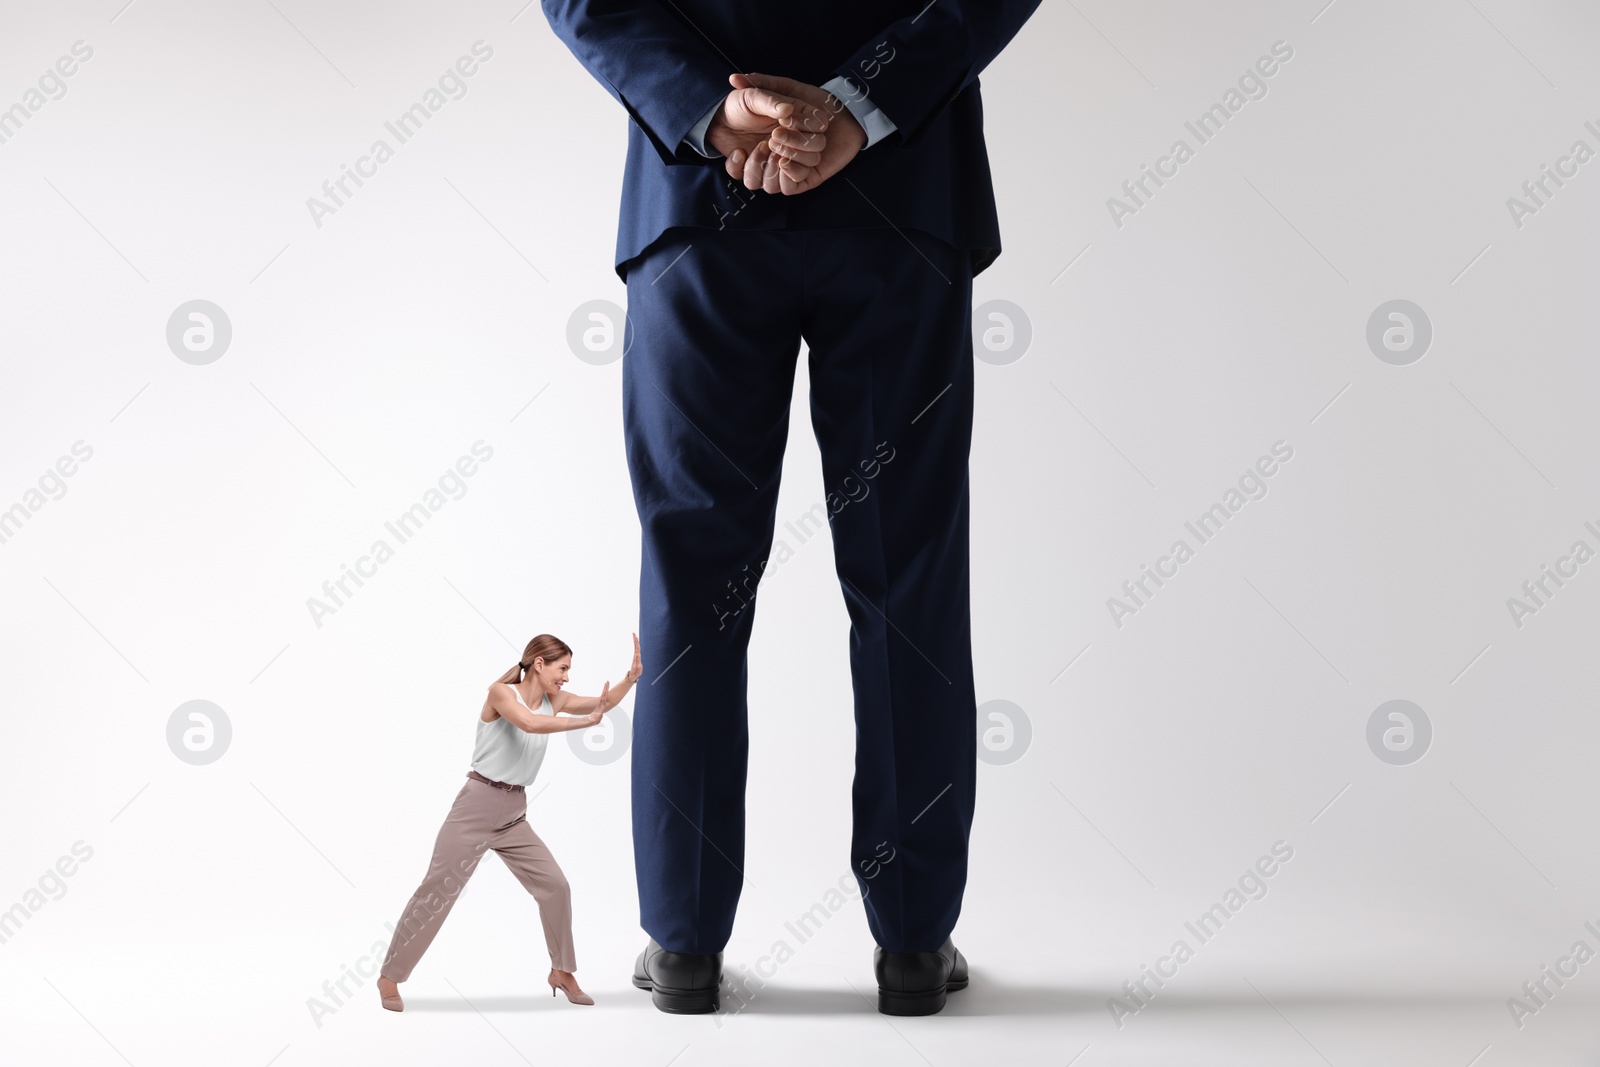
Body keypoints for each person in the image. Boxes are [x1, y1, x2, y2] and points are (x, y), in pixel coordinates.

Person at [540, 0, 1043, 1015]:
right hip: (900, 207)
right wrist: (861, 106)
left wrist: (711, 111)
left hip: (697, 207)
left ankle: (682, 941)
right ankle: (911, 937)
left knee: (692, 573)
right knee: (909, 572)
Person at [375, 632, 642, 1010]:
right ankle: (389, 976)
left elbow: (602, 702)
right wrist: (584, 725)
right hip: (476, 805)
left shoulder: (556, 700)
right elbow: (529, 724)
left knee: (555, 886)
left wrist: (630, 678)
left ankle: (561, 971)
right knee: (437, 892)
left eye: (568, 670)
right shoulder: (501, 693)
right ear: (539, 664)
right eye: (562, 668)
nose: (566, 677)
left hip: (514, 812)